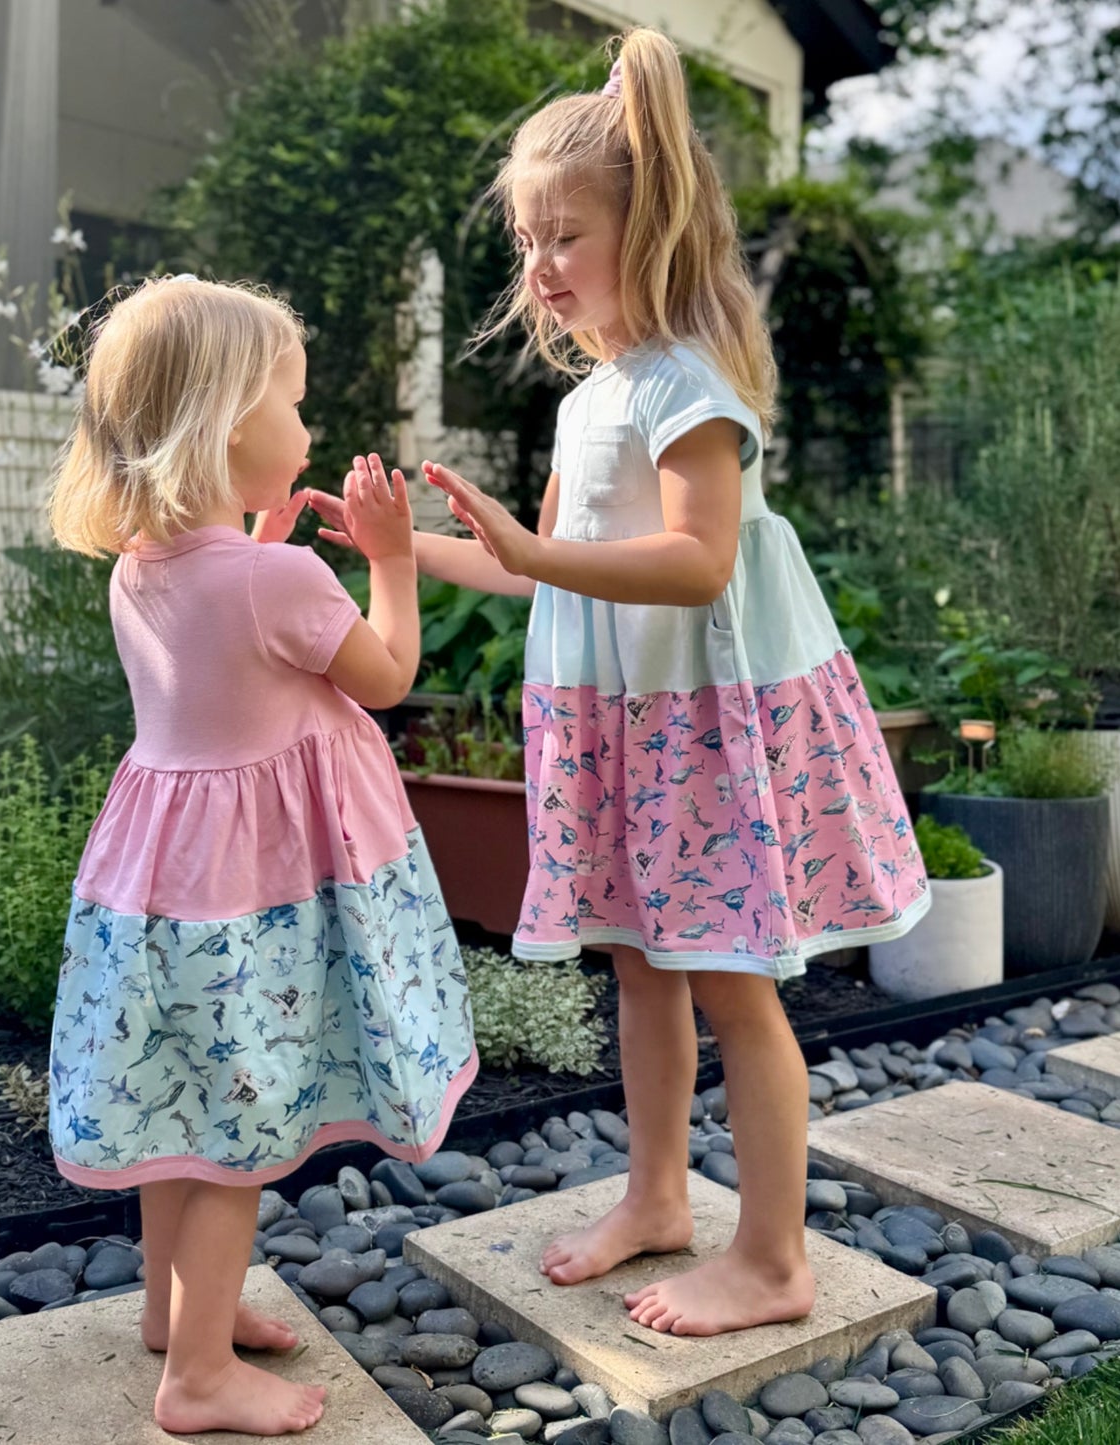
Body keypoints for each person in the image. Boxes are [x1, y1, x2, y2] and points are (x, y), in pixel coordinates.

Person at [317, 26, 928, 1339]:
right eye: (524, 240)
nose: (538, 265)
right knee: (640, 966)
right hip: (621, 723)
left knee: (731, 981)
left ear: (640, 233)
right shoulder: (588, 398)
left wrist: (533, 548)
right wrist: (391, 550)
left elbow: (698, 563)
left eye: (564, 236)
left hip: (699, 722)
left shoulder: (683, 388)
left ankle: (772, 1256)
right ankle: (656, 1196)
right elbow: (532, 568)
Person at [45, 275, 476, 1435]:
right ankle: (198, 1376)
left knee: (181, 1106)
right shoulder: (274, 579)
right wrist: (391, 558)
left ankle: (171, 1313)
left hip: (159, 890)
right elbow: (384, 675)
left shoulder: (142, 565)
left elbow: (224, 647)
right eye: (292, 399)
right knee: (239, 1135)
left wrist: (260, 545)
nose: (307, 424)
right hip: (257, 906)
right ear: (229, 421)